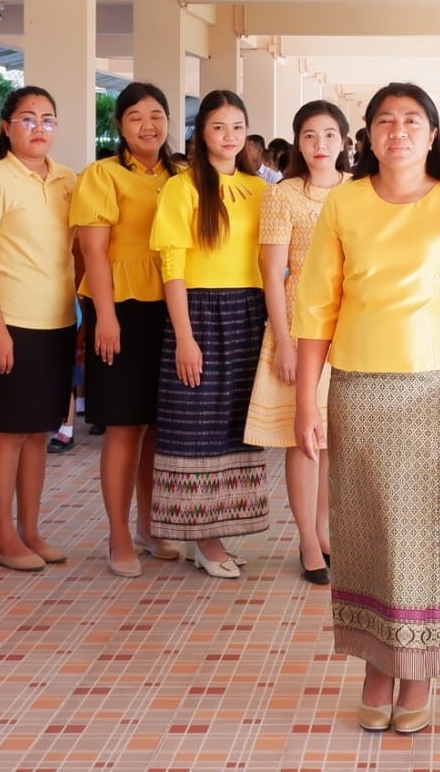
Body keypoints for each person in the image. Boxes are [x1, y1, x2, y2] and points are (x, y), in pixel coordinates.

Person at [292, 82, 440, 735]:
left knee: (432, 535)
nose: (398, 131)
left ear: (432, 135)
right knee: (365, 533)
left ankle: (417, 672)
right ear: (369, 135)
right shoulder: (346, 203)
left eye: (412, 120)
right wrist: (307, 397)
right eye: (385, 120)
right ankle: (375, 665)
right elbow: (315, 307)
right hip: (358, 387)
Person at [150, 89, 270, 578]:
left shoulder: (261, 188)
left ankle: (220, 532)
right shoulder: (183, 188)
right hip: (198, 312)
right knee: (197, 423)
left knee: (235, 426)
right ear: (202, 132)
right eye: (219, 127)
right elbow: (172, 265)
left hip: (249, 311)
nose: (229, 136)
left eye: (237, 127)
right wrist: (184, 335)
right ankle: (204, 536)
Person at [0, 86, 80, 573]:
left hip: (56, 322)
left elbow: (78, 252)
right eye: (27, 119)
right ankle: (3, 538)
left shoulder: (69, 180)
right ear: (7, 127)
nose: (38, 128)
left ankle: (30, 529)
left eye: (47, 119)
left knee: (38, 433)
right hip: (8, 323)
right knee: (7, 433)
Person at [72, 83, 181, 578]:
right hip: (120, 306)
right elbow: (94, 250)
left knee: (158, 425)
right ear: (120, 125)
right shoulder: (103, 174)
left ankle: (149, 524)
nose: (148, 125)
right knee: (123, 425)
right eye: (136, 116)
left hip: (172, 306)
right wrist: (107, 315)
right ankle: (118, 533)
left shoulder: (179, 175)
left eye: (156, 115)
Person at [243, 100, 350, 585]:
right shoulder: (282, 195)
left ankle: (325, 532)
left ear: (345, 141)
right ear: (297, 142)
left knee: (332, 442)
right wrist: (283, 340)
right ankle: (307, 538)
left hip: (350, 327)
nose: (320, 145)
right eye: (310, 136)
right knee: (301, 437)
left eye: (329, 135)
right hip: (299, 323)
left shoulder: (360, 192)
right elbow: (272, 271)